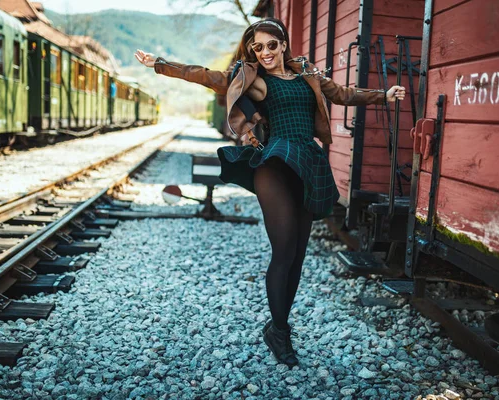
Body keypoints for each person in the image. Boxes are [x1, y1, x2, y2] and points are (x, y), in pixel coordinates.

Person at [134, 17, 405, 367]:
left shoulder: (307, 74)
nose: (264, 52)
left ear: (283, 44)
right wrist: (160, 64)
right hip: (274, 161)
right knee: (283, 250)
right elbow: (205, 75)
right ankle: (280, 330)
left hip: (307, 161)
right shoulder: (253, 78)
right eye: (257, 47)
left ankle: (276, 327)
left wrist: (383, 96)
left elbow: (343, 93)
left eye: (270, 45)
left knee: (298, 257)